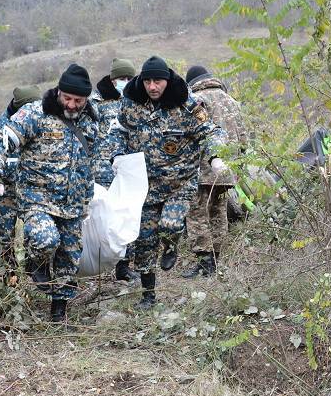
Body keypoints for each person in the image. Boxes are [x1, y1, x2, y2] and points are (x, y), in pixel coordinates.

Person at [0, 64, 97, 322]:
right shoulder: (35, 113)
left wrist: (93, 191)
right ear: (58, 92)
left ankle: (59, 314)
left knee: (70, 258)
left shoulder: (91, 118)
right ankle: (37, 263)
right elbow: (4, 139)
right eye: (67, 98)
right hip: (37, 199)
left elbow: (93, 157)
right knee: (46, 240)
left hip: (74, 203)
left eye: (78, 100)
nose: (71, 104)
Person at [112, 56, 228, 309]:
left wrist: (216, 155)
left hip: (180, 182)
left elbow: (210, 131)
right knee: (144, 240)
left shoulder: (187, 104)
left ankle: (171, 244)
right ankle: (148, 295)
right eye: (148, 81)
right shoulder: (131, 104)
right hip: (145, 185)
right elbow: (117, 131)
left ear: (167, 80)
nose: (153, 87)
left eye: (158, 81)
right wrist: (116, 154)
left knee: (171, 225)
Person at [182, 66, 247, 278]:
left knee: (197, 212)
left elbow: (191, 134)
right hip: (228, 169)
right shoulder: (232, 101)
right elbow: (245, 137)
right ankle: (216, 258)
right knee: (219, 211)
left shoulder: (197, 100)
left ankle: (204, 262)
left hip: (203, 167)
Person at [0, 85, 42, 283]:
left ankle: (35, 270)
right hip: (4, 190)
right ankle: (10, 277)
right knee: (4, 237)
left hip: (30, 188)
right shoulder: (3, 124)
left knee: (35, 231)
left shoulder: (42, 121)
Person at [91, 57, 140, 282]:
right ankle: (93, 263)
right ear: (112, 79)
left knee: (126, 217)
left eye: (130, 78)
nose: (126, 81)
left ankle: (123, 267)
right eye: (122, 78)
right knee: (99, 220)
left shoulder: (135, 101)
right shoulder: (94, 102)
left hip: (125, 171)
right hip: (98, 171)